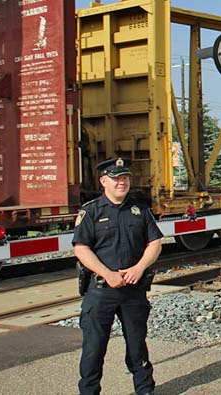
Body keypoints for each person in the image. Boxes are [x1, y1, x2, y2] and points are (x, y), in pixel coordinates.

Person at [73, 158, 163, 395]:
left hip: (133, 291)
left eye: (125, 178)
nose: (122, 183)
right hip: (101, 290)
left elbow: (155, 243)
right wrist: (107, 274)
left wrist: (139, 268)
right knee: (94, 349)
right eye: (116, 179)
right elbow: (81, 248)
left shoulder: (140, 210)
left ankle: (145, 390)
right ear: (104, 181)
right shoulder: (91, 211)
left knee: (137, 347)